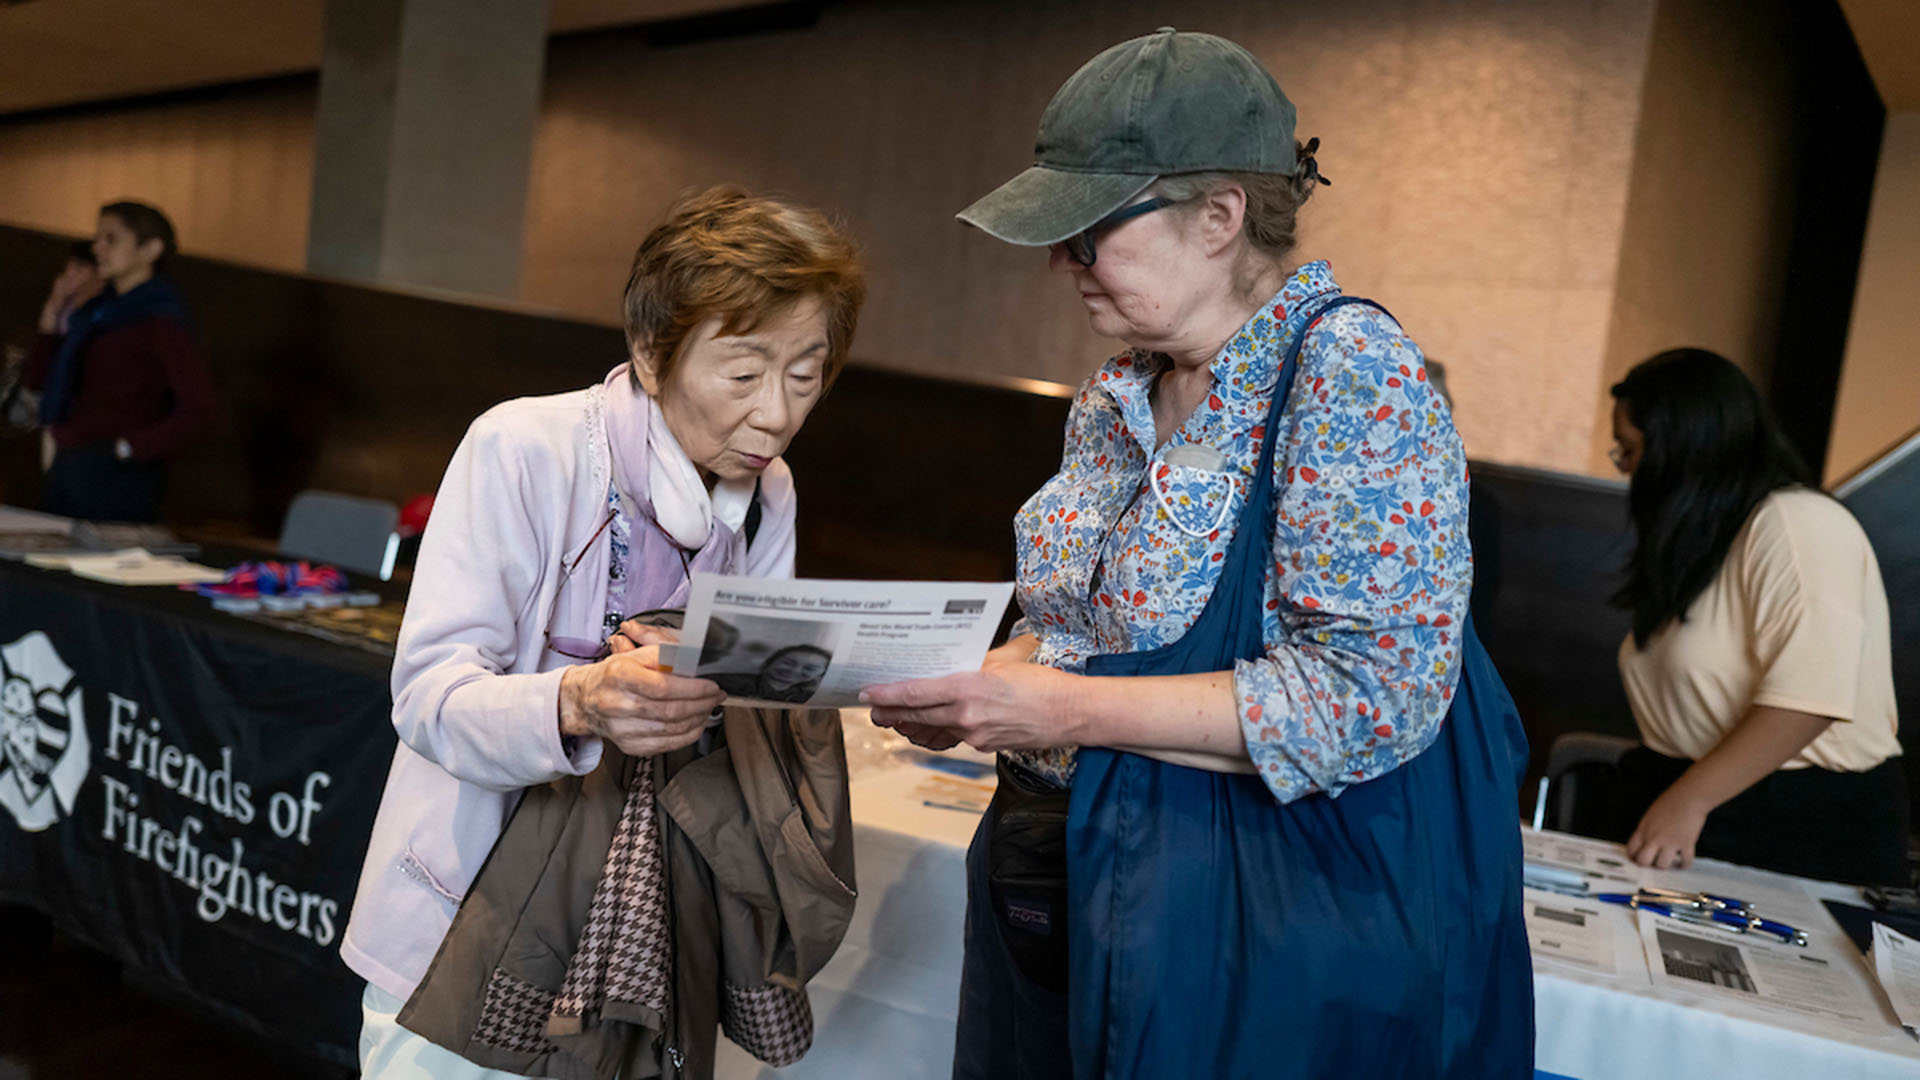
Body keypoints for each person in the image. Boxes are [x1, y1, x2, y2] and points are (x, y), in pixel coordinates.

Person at [863, 28, 1532, 1079]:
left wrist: (1058, 708)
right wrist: (1002, 674)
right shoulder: (1118, 387)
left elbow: (1367, 697)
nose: (1061, 262)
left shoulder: (1348, 371)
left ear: (1220, 216)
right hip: (1068, 869)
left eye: (1089, 230)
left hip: (1244, 919)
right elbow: (1087, 622)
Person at [341, 185, 865, 1078]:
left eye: (804, 376)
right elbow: (427, 697)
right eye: (743, 373)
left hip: (645, 915)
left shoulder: (766, 492)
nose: (776, 414)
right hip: (474, 909)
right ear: (651, 354)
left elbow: (752, 693)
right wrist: (581, 698)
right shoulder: (527, 448)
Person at [1600, 348, 1906, 884]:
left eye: (1629, 451)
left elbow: (1810, 700)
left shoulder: (1798, 522)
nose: (1627, 471)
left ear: (1681, 446)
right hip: (1697, 795)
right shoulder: (1709, 541)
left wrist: (1689, 801)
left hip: (1797, 818)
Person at [22, 201, 215, 523]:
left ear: (150, 249)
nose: (98, 248)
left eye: (111, 239)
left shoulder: (160, 320)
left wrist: (128, 449)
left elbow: (200, 410)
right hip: (69, 461)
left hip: (115, 472)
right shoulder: (96, 313)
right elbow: (39, 381)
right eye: (98, 238)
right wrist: (53, 314)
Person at [709, 643, 831, 702]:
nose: (795, 670)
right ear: (771, 661)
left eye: (810, 669)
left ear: (820, 675)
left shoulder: (808, 698)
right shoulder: (723, 681)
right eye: (788, 663)